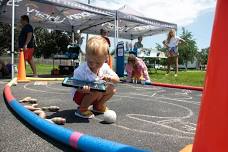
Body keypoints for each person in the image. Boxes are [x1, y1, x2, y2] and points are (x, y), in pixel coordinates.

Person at [72, 36, 120, 119]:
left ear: (105, 59)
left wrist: (109, 78)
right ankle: (82, 109)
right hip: (80, 96)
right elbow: (75, 87)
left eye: (98, 63)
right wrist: (82, 89)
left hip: (95, 93)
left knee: (112, 88)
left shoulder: (105, 66)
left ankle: (98, 106)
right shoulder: (80, 71)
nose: (94, 65)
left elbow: (117, 79)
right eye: (90, 62)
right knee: (96, 89)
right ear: (86, 56)